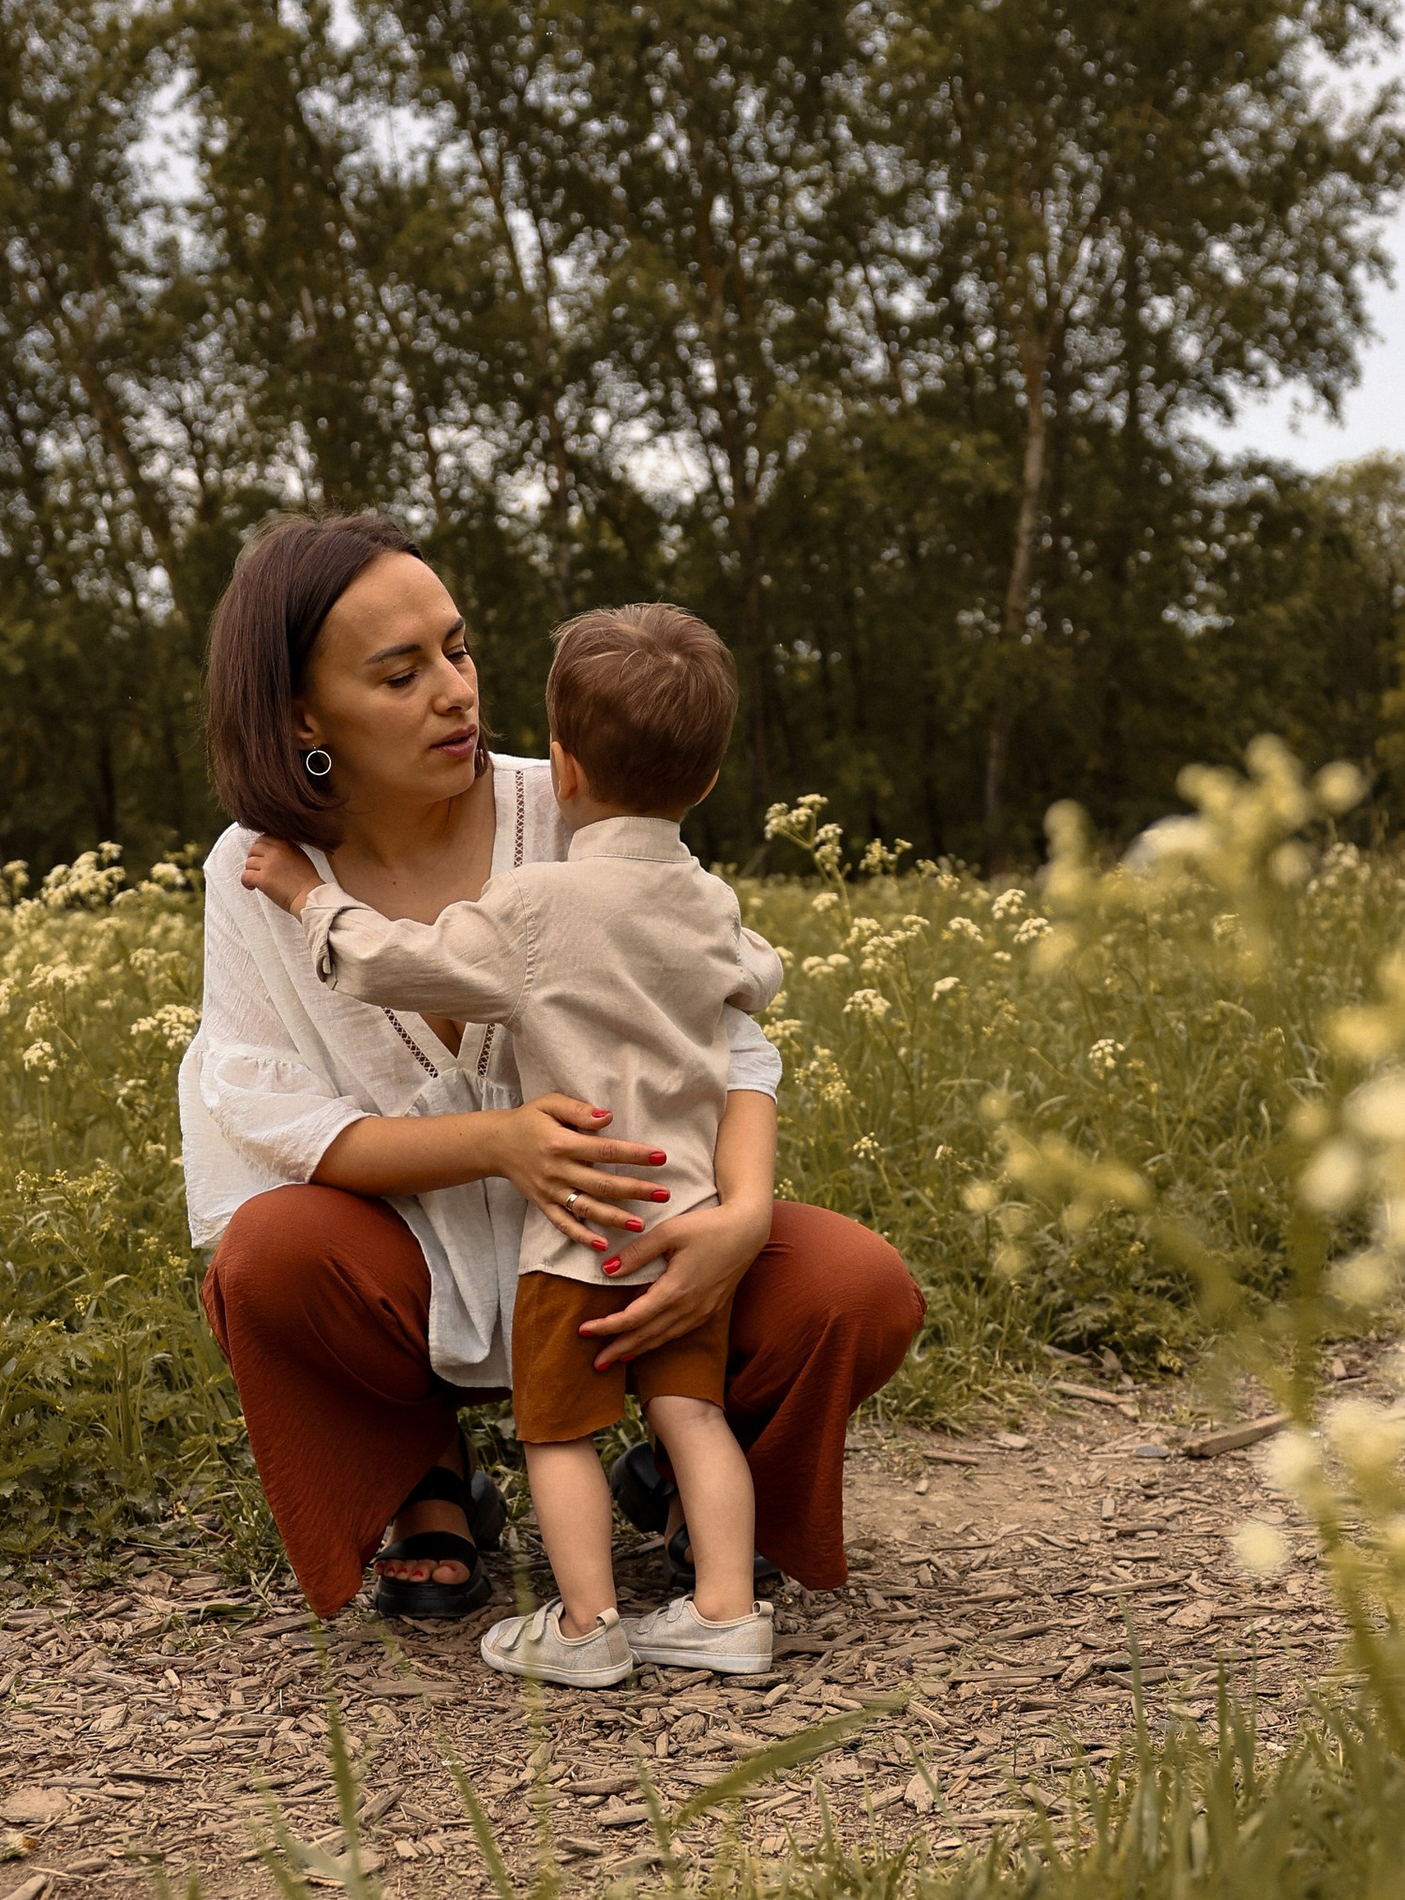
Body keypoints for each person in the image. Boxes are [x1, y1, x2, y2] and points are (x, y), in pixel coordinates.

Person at [180, 510, 925, 1630]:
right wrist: (495, 1143)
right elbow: (261, 1106)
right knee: (265, 1257)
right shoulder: (257, 869)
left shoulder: (583, 804)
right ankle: (423, 1479)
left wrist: (742, 1213)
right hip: (408, 1250)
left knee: (853, 1289)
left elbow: (730, 1035)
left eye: (459, 647)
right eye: (400, 673)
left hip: (631, 1235)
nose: (456, 691)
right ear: (303, 714)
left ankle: (696, 1478)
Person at [244, 603, 783, 1687]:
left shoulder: (532, 905)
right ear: (709, 783)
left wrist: (310, 897)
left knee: (556, 1432)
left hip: (576, 1232)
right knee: (692, 1414)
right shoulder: (711, 903)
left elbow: (399, 967)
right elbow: (756, 983)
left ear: (566, 767)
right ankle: (725, 1612)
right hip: (687, 1227)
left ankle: (587, 1627)